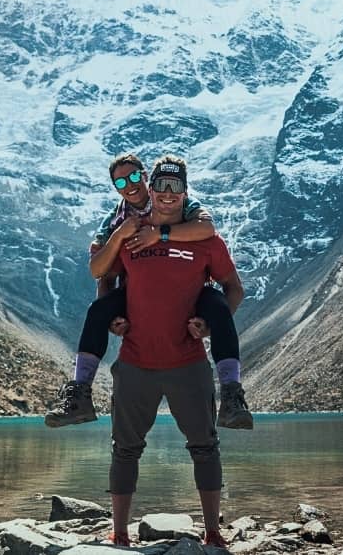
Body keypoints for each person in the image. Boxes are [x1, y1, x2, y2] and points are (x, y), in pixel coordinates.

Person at [45, 153, 252, 429]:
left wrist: (159, 234)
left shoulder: (184, 204)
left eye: (134, 177)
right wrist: (120, 236)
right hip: (136, 293)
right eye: (121, 182)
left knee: (217, 304)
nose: (130, 185)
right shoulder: (116, 220)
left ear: (145, 178)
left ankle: (231, 396)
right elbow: (100, 273)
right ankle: (79, 395)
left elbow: (207, 229)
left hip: (190, 292)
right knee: (98, 310)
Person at [103, 156, 244, 547]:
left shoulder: (205, 240)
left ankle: (213, 532)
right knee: (124, 449)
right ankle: (119, 532)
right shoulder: (129, 233)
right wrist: (112, 315)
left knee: (205, 447)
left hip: (188, 363)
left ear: (185, 191)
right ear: (151, 190)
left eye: (175, 187)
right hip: (135, 362)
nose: (167, 194)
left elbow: (234, 288)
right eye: (161, 186)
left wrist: (212, 325)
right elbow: (106, 277)